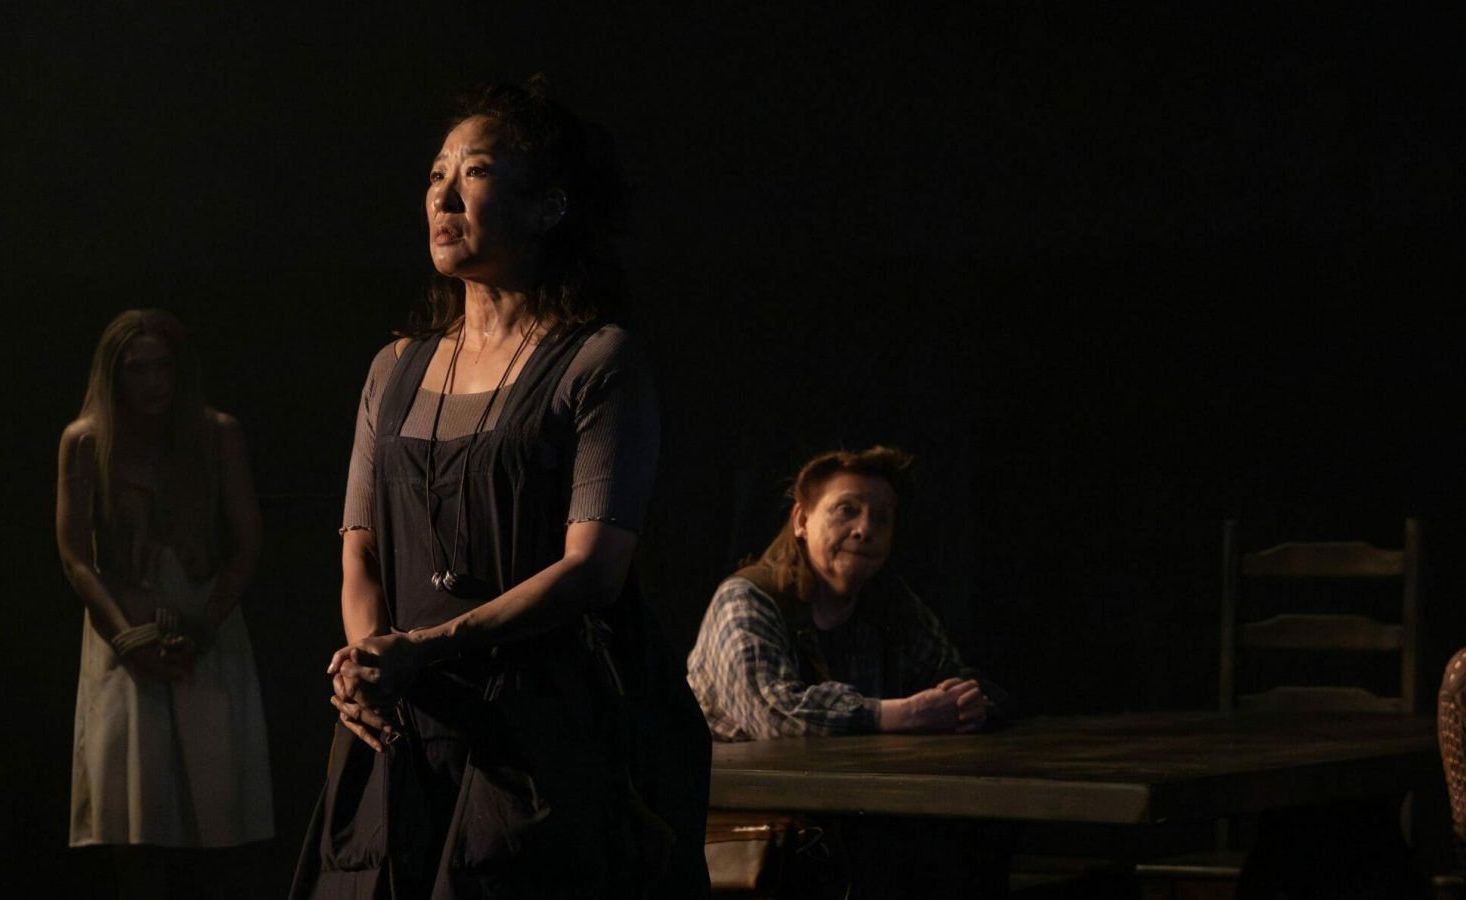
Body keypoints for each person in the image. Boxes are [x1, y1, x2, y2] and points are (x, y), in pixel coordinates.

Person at [290, 77, 711, 899]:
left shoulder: (596, 362)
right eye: (436, 174)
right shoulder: (395, 368)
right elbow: (360, 552)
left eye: (475, 171)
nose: (443, 195)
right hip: (400, 733)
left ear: (547, 206)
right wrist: (368, 665)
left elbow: (594, 570)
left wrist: (424, 649)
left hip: (536, 738)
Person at [687, 445, 1013, 897]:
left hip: (854, 820)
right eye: (847, 510)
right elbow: (775, 715)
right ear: (801, 521)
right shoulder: (748, 599)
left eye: (881, 518)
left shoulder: (889, 605)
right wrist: (906, 713)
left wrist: (972, 701)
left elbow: (956, 674)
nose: (865, 529)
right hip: (756, 835)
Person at [56, 308, 274, 898]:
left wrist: (203, 627)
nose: (152, 382)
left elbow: (247, 543)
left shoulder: (215, 434)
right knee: (134, 811)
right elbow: (75, 557)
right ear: (115, 374)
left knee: (217, 801)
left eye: (161, 367)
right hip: (122, 624)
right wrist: (127, 637)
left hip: (204, 619)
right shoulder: (86, 440)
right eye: (137, 369)